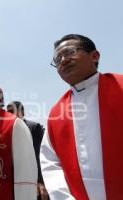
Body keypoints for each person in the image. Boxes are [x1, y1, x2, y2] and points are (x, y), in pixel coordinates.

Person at [40, 34, 123, 200]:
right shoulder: (57, 112)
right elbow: (51, 162)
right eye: (57, 59)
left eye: (70, 52)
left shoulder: (119, 87)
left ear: (94, 56)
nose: (63, 60)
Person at [7, 101, 48, 200]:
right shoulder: (7, 129)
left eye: (12, 111)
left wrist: (40, 181)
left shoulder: (34, 127)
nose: (9, 114)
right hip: (12, 179)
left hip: (31, 179)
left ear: (22, 112)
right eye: (8, 112)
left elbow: (39, 155)